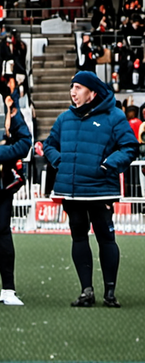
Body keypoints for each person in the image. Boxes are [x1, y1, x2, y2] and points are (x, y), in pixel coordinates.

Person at [43, 71, 138, 308]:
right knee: (78, 237)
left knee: (106, 239)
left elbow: (129, 146)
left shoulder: (114, 116)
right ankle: (87, 291)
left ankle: (110, 293)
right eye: (71, 87)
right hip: (72, 191)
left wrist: (108, 165)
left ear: (92, 92)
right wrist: (59, 162)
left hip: (101, 190)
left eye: (78, 87)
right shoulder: (65, 118)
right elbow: (49, 145)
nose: (72, 92)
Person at [0, 95, 32, 306]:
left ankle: (7, 288)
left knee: (1, 232)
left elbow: (24, 142)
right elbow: (25, 142)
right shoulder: (0, 152)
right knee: (1, 233)